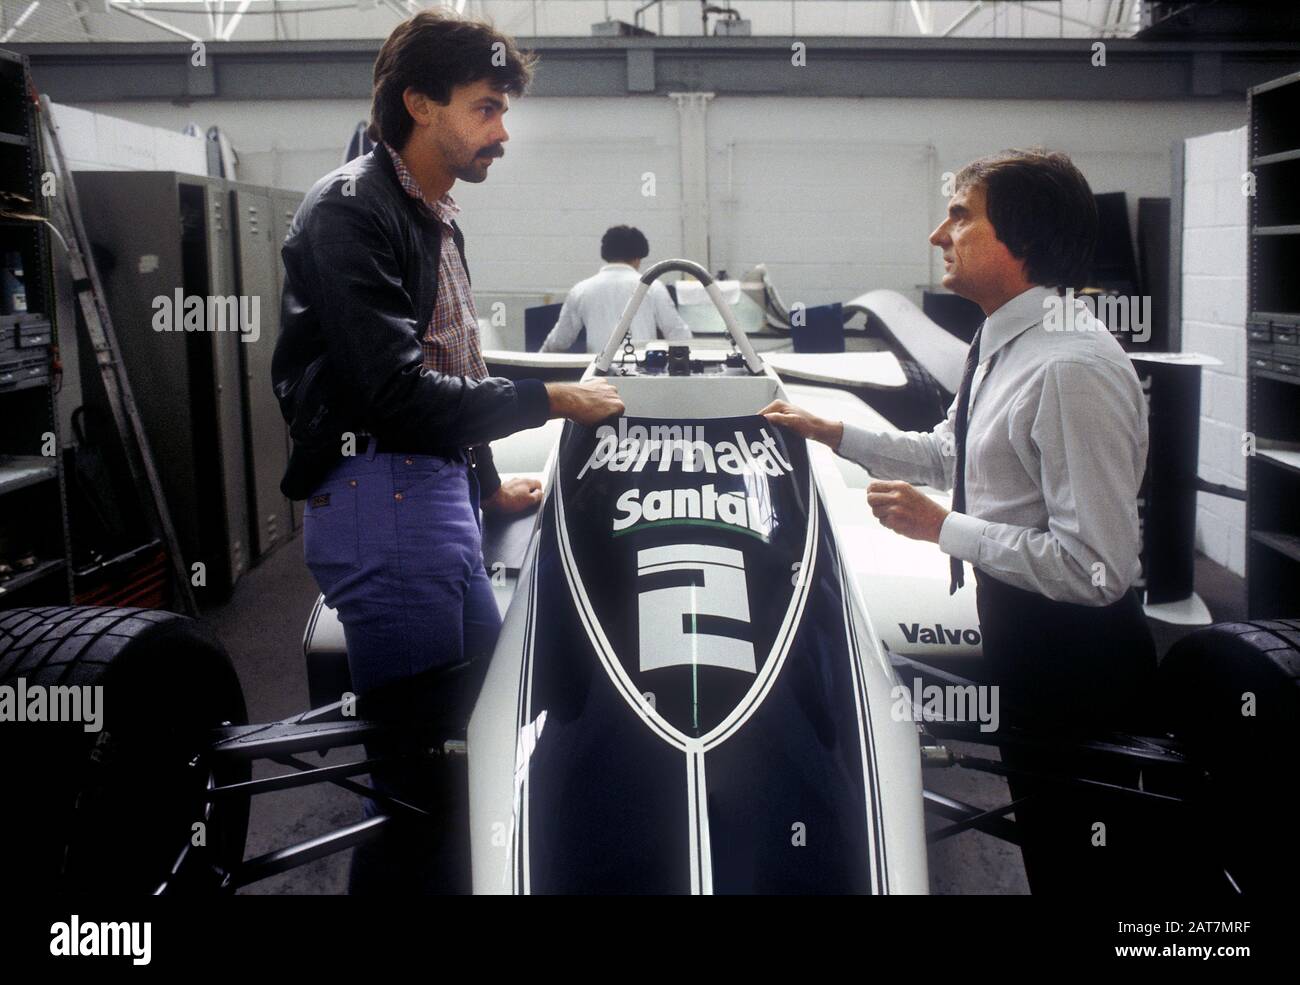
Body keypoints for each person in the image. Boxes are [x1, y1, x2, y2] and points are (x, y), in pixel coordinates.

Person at [271, 9, 624, 893]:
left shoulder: (432, 213)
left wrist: (486, 484)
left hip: (428, 503)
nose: (502, 132)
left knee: (474, 742)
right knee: (424, 787)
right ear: (420, 103)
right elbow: (391, 392)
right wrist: (551, 398)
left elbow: (449, 363)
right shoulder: (352, 211)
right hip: (382, 506)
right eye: (486, 108)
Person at [760, 149, 1157, 895]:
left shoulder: (1072, 365)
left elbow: (1096, 567)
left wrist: (943, 529)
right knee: (1052, 851)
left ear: (1020, 238)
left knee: (1092, 868)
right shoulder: (1002, 339)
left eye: (961, 216)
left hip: (1077, 660)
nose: (939, 234)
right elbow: (952, 451)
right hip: (1020, 630)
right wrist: (829, 431)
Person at [539, 225, 691, 353]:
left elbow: (559, 341)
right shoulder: (652, 287)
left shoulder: (581, 290)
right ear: (638, 258)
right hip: (642, 374)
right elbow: (678, 334)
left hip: (597, 377)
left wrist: (538, 362)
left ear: (606, 254)